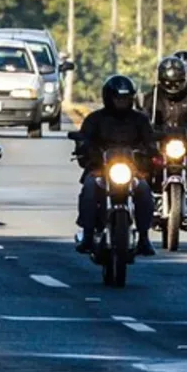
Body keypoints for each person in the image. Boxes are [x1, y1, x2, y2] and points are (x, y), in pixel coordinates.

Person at [74, 75, 156, 256]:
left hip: (130, 171)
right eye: (118, 98)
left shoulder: (140, 120)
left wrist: (150, 152)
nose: (122, 102)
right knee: (89, 188)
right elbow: (83, 140)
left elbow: (150, 142)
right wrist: (85, 149)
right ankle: (88, 235)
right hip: (101, 170)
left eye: (126, 98)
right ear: (108, 98)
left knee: (144, 191)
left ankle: (144, 237)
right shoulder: (95, 119)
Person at [143, 53, 187, 222]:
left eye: (177, 82)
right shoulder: (152, 98)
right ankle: (144, 200)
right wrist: (152, 130)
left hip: (186, 144)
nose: (173, 86)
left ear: (185, 79)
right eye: (169, 83)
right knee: (142, 160)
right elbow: (142, 120)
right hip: (160, 143)